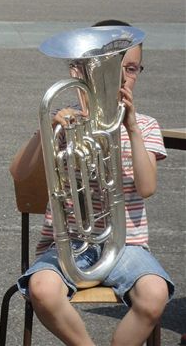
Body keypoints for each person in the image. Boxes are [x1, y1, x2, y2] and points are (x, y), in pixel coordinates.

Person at [12, 20, 174, 346]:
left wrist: (131, 130)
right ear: (78, 70)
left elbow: (147, 187)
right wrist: (45, 130)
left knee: (155, 295)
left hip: (128, 246)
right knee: (42, 291)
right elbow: (19, 172)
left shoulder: (144, 124)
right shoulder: (64, 120)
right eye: (112, 67)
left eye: (130, 68)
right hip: (70, 245)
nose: (122, 77)